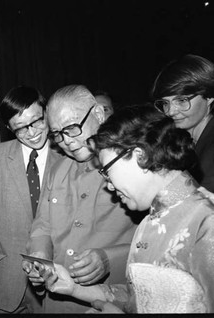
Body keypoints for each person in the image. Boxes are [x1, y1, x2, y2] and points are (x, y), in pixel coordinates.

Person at [40, 104, 214, 313]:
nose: (109, 185)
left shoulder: (206, 221)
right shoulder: (149, 221)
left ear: (139, 156)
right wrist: (74, 289)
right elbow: (138, 299)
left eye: (107, 170)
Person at [23, 85, 138, 313]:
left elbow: (157, 241)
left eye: (73, 128)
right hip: (56, 302)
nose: (67, 141)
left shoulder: (133, 162)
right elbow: (43, 225)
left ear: (98, 114)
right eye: (57, 134)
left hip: (110, 299)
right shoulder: (58, 170)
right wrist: (39, 257)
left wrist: (109, 259)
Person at [0, 86, 62, 314]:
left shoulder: (67, 154)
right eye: (20, 129)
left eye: (37, 121)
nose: (32, 133)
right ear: (9, 129)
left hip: (56, 276)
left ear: (46, 112)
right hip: (5, 277)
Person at [151, 54, 214, 193]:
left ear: (209, 97)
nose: (170, 112)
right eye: (165, 103)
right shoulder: (185, 142)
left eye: (181, 100)